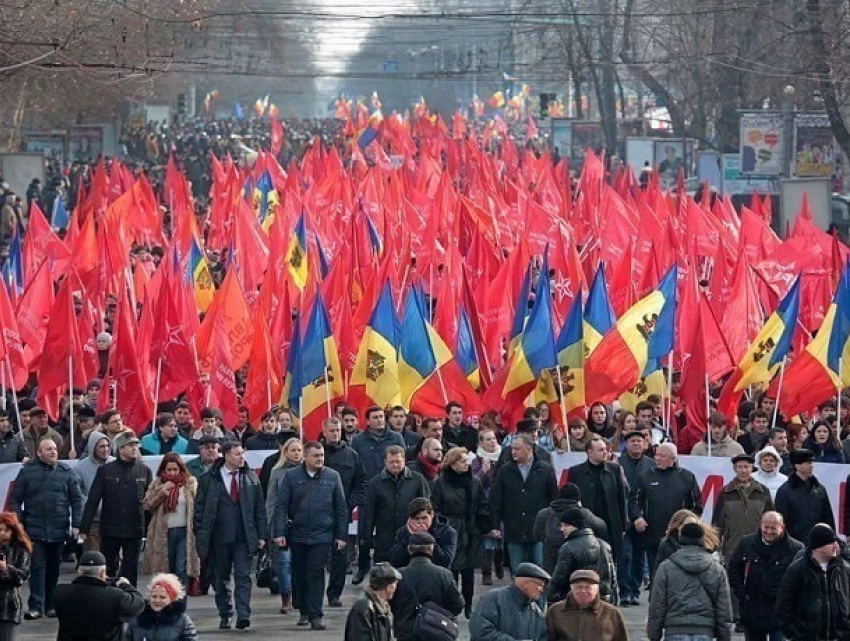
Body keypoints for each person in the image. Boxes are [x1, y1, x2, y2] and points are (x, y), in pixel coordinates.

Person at [272, 441, 348, 631]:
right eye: (316, 456)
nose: (320, 459)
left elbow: (340, 508)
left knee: (315, 572)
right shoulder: (291, 477)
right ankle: (303, 609)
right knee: (299, 573)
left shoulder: (333, 476)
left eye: (322, 455)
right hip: (297, 534)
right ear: (305, 457)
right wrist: (279, 532)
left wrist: (341, 535)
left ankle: (316, 614)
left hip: (322, 535)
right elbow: (281, 506)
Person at [193, 440, 268, 631]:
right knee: (221, 578)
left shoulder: (251, 478)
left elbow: (260, 509)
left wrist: (261, 535)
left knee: (243, 576)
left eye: (242, 454)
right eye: (237, 454)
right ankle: (225, 613)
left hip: (243, 537)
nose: (242, 457)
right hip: (218, 538)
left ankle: (243, 614)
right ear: (226, 456)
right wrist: (200, 534)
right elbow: (199, 510)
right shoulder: (208, 479)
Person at [9, 438, 83, 620]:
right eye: (48, 449)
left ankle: (51, 605)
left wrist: (77, 525)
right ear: (39, 453)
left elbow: (77, 500)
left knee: (53, 570)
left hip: (59, 530)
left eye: (55, 449)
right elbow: (16, 499)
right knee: (37, 569)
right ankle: (35, 606)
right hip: (34, 530)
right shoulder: (27, 472)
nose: (53, 452)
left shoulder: (66, 472)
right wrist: (19, 522)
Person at [80, 430, 152, 586]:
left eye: (136, 445)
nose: (134, 448)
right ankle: (108, 598)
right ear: (120, 449)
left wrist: (149, 528)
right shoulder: (106, 470)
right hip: (111, 528)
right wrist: (84, 528)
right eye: (130, 445)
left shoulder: (144, 470)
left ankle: (130, 599)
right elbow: (93, 500)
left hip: (135, 528)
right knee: (109, 567)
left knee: (131, 568)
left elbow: (149, 502)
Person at [355, 445, 430, 584]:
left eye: (398, 461)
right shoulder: (376, 483)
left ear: (404, 460)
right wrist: (366, 537)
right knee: (384, 581)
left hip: (411, 539)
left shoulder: (417, 480)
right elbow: (368, 514)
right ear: (385, 462)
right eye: (391, 462)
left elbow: (426, 508)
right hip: (385, 540)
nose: (395, 464)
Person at [647, 522, 733, 641]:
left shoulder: (666, 568)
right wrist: (725, 636)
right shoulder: (717, 570)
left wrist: (654, 635)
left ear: (681, 539)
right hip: (705, 631)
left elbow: (657, 606)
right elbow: (724, 609)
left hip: (674, 631)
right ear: (703, 540)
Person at [628, 442, 702, 581]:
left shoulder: (687, 477)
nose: (658, 458)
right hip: (653, 535)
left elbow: (696, 505)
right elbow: (634, 501)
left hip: (679, 538)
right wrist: (637, 517)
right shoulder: (645, 476)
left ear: (673, 459)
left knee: (679, 577)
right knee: (657, 576)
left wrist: (689, 523)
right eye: (657, 455)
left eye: (663, 456)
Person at [728, 511, 803, 641]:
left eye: (773, 528)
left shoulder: (796, 549)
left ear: (782, 527)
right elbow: (734, 569)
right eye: (766, 527)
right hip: (752, 611)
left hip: (780, 614)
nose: (768, 531)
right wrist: (742, 594)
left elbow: (801, 580)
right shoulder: (746, 543)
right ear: (760, 525)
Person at [490, 433, 558, 574]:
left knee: (539, 568)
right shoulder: (505, 471)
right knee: (517, 570)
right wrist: (495, 525)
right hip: (514, 529)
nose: (513, 452)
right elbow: (496, 499)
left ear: (529, 448)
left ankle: (539, 597)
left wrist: (551, 524)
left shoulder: (545, 470)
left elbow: (554, 499)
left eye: (517, 448)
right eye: (512, 449)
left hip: (539, 530)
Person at [432, 447, 487, 618]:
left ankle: (468, 604)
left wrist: (484, 525)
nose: (466, 464)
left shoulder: (474, 481)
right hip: (451, 528)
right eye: (462, 461)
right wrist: (442, 526)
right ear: (452, 463)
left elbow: (482, 504)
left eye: (466, 461)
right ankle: (452, 606)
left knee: (469, 572)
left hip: (471, 530)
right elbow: (434, 506)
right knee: (451, 571)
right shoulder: (441, 483)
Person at [322, 416, 367, 608]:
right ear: (324, 431)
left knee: (340, 556)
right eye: (331, 430)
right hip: (317, 514)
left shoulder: (351, 455)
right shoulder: (316, 452)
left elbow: (361, 483)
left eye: (337, 430)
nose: (335, 434)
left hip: (342, 513)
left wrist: (349, 504)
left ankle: (334, 594)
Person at [776, 523, 850, 641]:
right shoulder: (797, 570)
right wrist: (794, 634)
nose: (836, 545)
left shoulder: (844, 570)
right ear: (819, 547)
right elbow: (783, 606)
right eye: (831, 542)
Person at [52, 550, 145, 641]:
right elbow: (139, 603)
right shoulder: (115, 597)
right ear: (102, 573)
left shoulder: (60, 593)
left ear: (79, 572)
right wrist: (125, 585)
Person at [391, 532, 464, 641]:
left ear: (409, 550)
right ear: (431, 550)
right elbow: (457, 606)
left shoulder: (398, 576)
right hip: (436, 632)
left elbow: (390, 605)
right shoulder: (444, 574)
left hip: (406, 633)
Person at [566, 436, 628, 564]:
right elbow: (571, 501)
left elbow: (622, 498)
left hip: (611, 525)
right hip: (586, 525)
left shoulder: (615, 470)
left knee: (610, 562)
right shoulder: (576, 472)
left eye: (606, 449)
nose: (605, 452)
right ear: (589, 452)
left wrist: (623, 526)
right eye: (601, 450)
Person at [142, 453, 200, 587]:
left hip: (185, 532)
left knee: (181, 568)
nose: (172, 473)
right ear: (163, 470)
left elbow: (198, 506)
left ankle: (181, 601)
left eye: (175, 469)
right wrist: (162, 491)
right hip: (163, 533)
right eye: (169, 470)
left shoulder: (190, 483)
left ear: (181, 469)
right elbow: (147, 504)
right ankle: (167, 602)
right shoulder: (157, 483)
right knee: (166, 571)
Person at [712, 453, 774, 564]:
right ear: (735, 469)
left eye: (746, 467)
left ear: (752, 468)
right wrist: (714, 549)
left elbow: (771, 520)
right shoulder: (725, 492)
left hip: (757, 548)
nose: (743, 470)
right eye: (740, 467)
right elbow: (717, 524)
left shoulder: (763, 492)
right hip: (732, 548)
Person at [534, 482, 608, 574]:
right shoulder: (583, 513)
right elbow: (602, 528)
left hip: (551, 562)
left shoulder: (543, 514)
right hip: (577, 563)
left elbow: (537, 535)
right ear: (577, 499)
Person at [547, 509, 614, 603]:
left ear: (576, 526)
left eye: (566, 525)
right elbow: (612, 577)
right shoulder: (605, 545)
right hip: (602, 602)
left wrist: (548, 597)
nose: (562, 529)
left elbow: (559, 579)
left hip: (577, 601)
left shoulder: (568, 548)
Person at [617, 429, 653, 605]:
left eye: (640, 441)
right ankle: (624, 591)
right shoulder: (618, 463)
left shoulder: (651, 464)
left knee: (639, 556)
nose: (636, 444)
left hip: (644, 519)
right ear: (627, 444)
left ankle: (635, 590)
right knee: (625, 555)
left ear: (645, 444)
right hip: (623, 517)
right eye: (632, 441)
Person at [469, 562, 549, 641]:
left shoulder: (536, 612)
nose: (541, 590)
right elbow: (480, 632)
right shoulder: (493, 599)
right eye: (540, 585)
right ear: (526, 584)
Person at [545, 569, 629, 641]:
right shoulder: (555, 611)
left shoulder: (611, 613)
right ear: (571, 588)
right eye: (579, 587)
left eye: (588, 587)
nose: (583, 591)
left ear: (596, 590)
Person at [774, 448, 835, 544]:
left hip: (819, 543)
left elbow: (828, 517)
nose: (812, 466)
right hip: (794, 544)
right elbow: (782, 521)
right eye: (808, 463)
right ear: (797, 466)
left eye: (812, 463)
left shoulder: (819, 489)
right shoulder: (784, 491)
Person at [471, 428, 504, 584]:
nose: (492, 442)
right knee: (488, 539)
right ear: (481, 443)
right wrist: (484, 471)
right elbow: (474, 483)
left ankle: (499, 561)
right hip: (484, 504)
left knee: (501, 535)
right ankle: (486, 572)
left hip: (501, 502)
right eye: (488, 439)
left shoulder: (503, 457)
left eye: (494, 439)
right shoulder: (476, 461)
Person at [387, 497, 457, 569]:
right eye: (416, 519)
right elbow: (395, 561)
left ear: (432, 514)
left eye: (424, 518)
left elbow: (445, 562)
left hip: (435, 575)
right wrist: (409, 537)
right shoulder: (403, 532)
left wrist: (427, 537)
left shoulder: (447, 532)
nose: (421, 522)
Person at [123, 573, 198, 641]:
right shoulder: (138, 616)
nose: (157, 600)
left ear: (172, 599)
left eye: (162, 597)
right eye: (154, 596)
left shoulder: (182, 620)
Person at [74, 430, 113, 551]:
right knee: (93, 559)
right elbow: (77, 493)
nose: (105, 449)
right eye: (101, 446)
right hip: (92, 522)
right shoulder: (80, 467)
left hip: (113, 522)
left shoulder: (115, 464)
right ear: (92, 448)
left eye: (107, 446)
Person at [352, 406, 406, 480]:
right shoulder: (357, 440)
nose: (379, 420)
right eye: (375, 417)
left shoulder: (396, 437)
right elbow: (355, 466)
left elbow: (404, 460)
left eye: (381, 416)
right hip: (368, 485)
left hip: (392, 483)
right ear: (368, 421)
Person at [0, 512, 31, 641]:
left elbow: (22, 577)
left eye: (6, 530)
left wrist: (7, 569)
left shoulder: (20, 550)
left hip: (9, 606)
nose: (2, 533)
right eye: (0, 530)